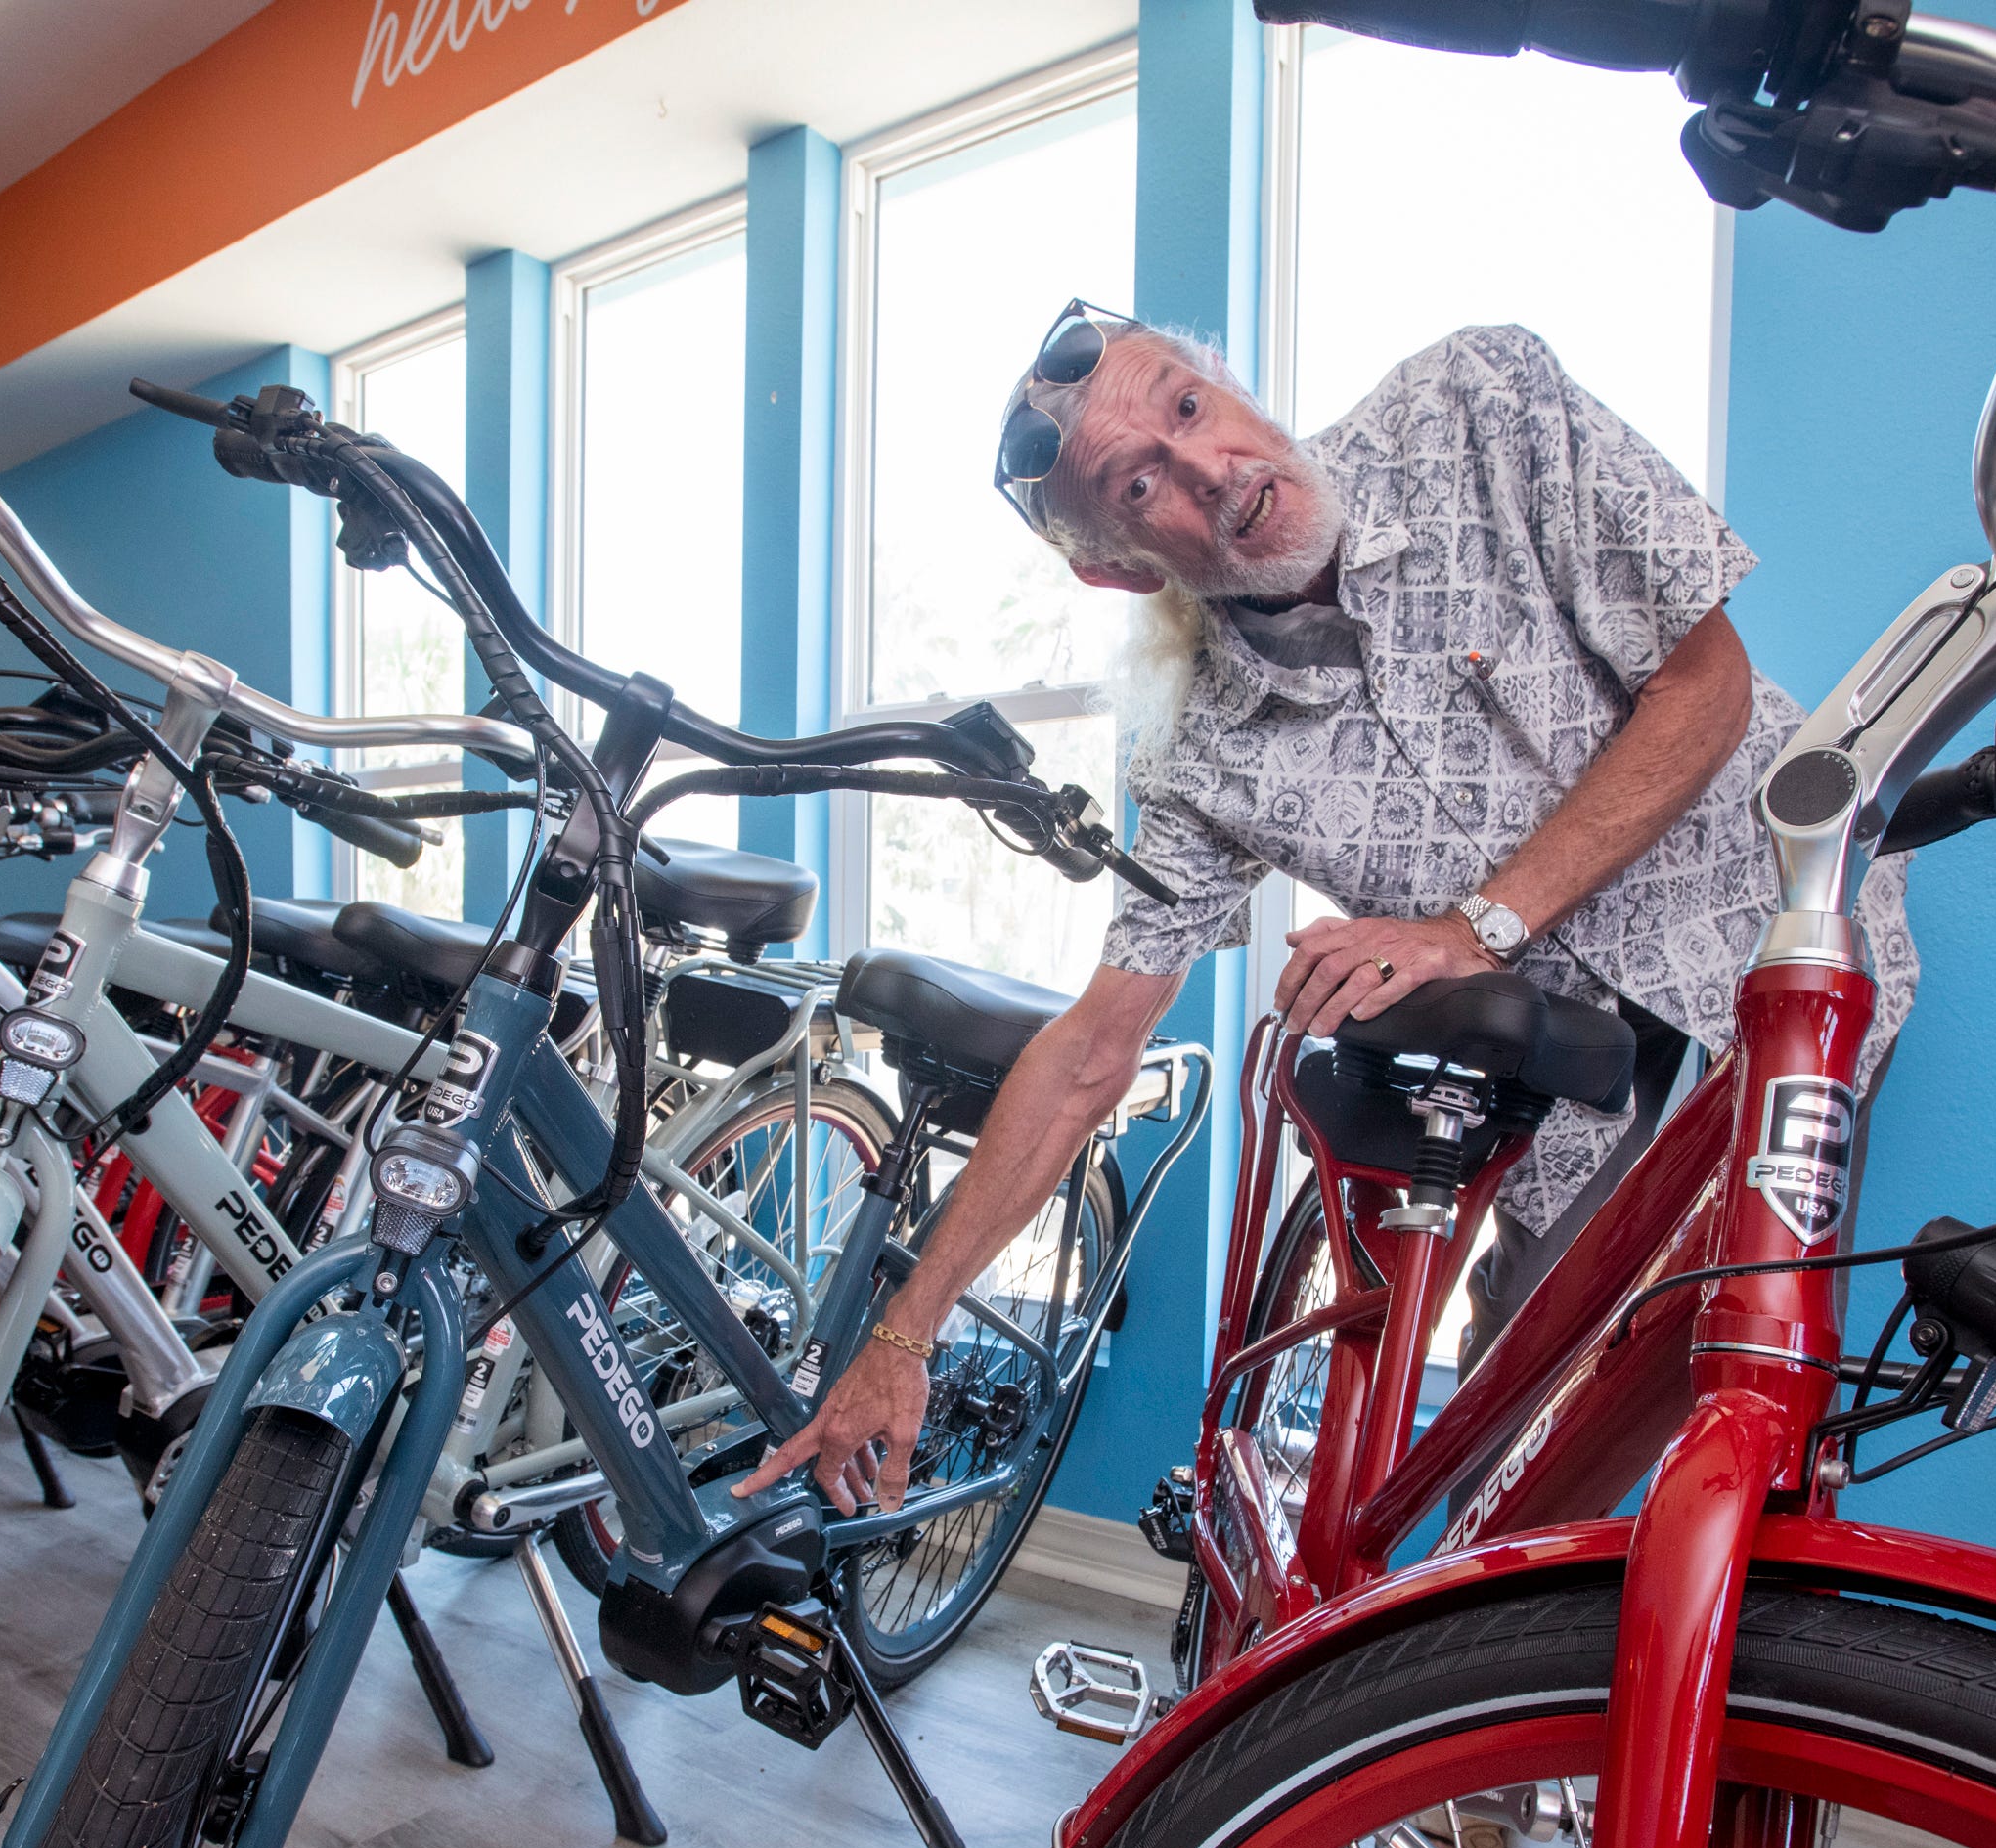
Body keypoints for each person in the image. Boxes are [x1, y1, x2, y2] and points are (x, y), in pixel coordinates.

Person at [736, 298, 1914, 1517]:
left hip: (1783, 949)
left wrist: (1473, 934)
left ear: (1226, 383)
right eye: (1138, 488)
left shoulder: (1477, 404)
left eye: (1188, 409)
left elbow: (1704, 689)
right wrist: (904, 1335)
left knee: (1744, 1393)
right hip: (1569, 1095)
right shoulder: (1203, 758)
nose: (1207, 469)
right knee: (1518, 1481)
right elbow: (1094, 1049)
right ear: (1114, 565)